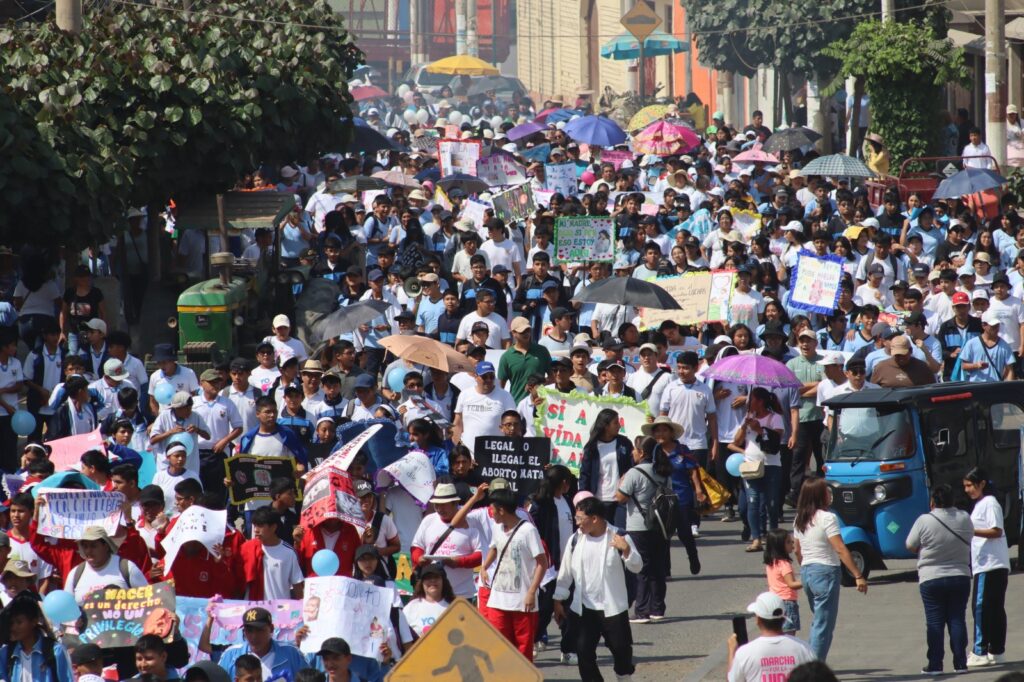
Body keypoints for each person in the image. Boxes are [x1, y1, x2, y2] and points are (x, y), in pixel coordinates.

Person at [553, 496, 642, 682]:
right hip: (584, 608)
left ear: (594, 518)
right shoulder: (575, 540)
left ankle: (623, 677)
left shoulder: (619, 536)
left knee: (621, 651)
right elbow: (565, 572)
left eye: (580, 518)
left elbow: (637, 566)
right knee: (584, 653)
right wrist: (558, 599)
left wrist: (626, 550)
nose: (577, 524)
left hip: (612, 608)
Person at [792, 477, 868, 660]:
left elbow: (797, 550)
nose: (830, 495)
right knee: (823, 624)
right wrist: (857, 574)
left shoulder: (799, 519)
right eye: (827, 492)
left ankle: (809, 660)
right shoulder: (828, 518)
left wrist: (805, 566)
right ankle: (814, 667)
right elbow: (840, 548)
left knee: (818, 621)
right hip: (825, 571)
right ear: (819, 496)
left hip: (807, 571)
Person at [905, 483, 974, 674]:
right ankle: (960, 663)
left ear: (933, 501)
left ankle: (935, 664)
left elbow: (910, 544)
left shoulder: (925, 520)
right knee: (957, 619)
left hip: (931, 577)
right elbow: (970, 538)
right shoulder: (964, 517)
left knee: (935, 622)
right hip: (960, 575)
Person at [480, 488, 547, 661]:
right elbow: (495, 548)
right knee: (498, 647)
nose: (491, 513)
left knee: (522, 650)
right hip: (497, 600)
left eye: (492, 509)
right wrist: (484, 567)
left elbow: (542, 562)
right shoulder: (497, 528)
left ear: (501, 510)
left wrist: (532, 592)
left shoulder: (528, 531)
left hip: (522, 602)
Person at [615, 437, 673, 625]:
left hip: (638, 526)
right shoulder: (664, 472)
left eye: (634, 449)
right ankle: (657, 608)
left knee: (641, 568)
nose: (632, 452)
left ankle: (641, 611)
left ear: (641, 453)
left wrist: (621, 481)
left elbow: (620, 498)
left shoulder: (635, 472)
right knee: (658, 567)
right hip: (661, 525)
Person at [963, 468, 1009, 668]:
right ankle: (996, 651)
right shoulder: (982, 504)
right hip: (992, 564)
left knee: (981, 608)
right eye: (965, 486)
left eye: (970, 485)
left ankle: (980, 651)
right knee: (995, 608)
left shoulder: (989, 503)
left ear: (981, 484)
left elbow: (996, 531)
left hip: (989, 565)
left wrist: (970, 531)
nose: (967, 490)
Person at [731, 387, 785, 552]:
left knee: (771, 503)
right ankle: (756, 539)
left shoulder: (775, 418)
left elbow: (777, 440)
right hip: (751, 465)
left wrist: (759, 429)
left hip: (771, 465)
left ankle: (774, 537)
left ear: (760, 401)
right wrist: (744, 426)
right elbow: (737, 441)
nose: (748, 403)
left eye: (752, 399)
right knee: (752, 502)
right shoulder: (748, 418)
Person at [727, 592, 814, 682]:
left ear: (758, 619)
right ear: (784, 619)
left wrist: (732, 651)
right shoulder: (803, 649)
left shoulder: (745, 653)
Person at [210, 607, 307, 678]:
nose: (254, 636)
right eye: (249, 630)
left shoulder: (291, 653)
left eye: (259, 630)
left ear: (271, 629)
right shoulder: (231, 655)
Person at [579, 408, 635, 526]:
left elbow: (632, 468)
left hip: (621, 500)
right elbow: (585, 474)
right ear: (605, 426)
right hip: (599, 500)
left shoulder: (624, 443)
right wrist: (584, 500)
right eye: (615, 423)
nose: (619, 426)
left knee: (620, 533)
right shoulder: (591, 447)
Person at [0, 595, 74, 682]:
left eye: (19, 622)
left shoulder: (56, 651)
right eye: (12, 623)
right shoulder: (6, 653)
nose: (14, 627)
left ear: (34, 621)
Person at [451, 361, 515, 457]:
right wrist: (459, 451)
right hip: (469, 454)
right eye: (484, 376)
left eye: (492, 376)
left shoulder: (505, 396)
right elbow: (457, 424)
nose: (488, 380)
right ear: (476, 376)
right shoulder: (465, 394)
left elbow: (513, 425)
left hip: (496, 454)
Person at [763, 529, 802, 636]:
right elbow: (791, 584)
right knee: (788, 634)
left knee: (777, 633)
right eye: (789, 542)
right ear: (780, 545)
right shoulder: (784, 564)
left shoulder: (771, 562)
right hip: (787, 602)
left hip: (775, 601)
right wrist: (807, 581)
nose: (792, 544)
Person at [402, 562, 454, 638]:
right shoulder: (411, 608)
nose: (432, 580)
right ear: (422, 583)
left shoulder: (454, 606)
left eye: (436, 577)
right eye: (428, 578)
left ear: (443, 581)